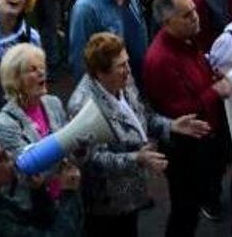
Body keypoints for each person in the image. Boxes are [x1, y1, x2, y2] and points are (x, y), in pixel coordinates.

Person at [67, 32, 209, 237]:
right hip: (106, 205)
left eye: (127, 62)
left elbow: (144, 117)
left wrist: (171, 126)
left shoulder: (125, 81)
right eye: (121, 66)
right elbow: (92, 161)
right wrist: (137, 158)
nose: (129, 70)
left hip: (131, 195)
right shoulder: (82, 106)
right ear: (100, 73)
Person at [142, 0, 232, 236]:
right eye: (187, 15)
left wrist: (212, 78)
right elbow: (179, 111)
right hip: (184, 148)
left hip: (204, 139)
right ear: (167, 23)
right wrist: (215, 90)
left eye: (194, 10)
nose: (196, 17)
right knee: (185, 210)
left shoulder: (188, 39)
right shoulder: (160, 59)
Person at [0, 135, 84, 237]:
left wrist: (38, 190)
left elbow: (38, 224)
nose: (10, 156)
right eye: (2, 157)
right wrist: (69, 193)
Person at [0, 44, 69, 207]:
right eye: (33, 69)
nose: (42, 73)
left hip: (64, 199)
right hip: (32, 209)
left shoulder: (53, 103)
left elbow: (72, 151)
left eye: (42, 67)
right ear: (15, 79)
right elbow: (28, 172)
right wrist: (65, 156)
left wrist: (80, 150)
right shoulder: (3, 125)